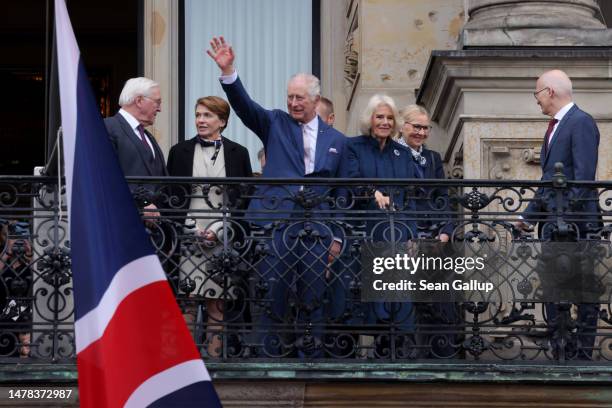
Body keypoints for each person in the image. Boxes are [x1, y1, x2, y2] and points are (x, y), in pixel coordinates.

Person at [207, 36, 347, 357]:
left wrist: (337, 236)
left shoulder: (338, 140)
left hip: (318, 228)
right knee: (273, 295)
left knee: (313, 298)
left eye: (299, 98)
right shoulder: (274, 123)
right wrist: (229, 72)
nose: (293, 103)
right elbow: (245, 106)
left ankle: (311, 361)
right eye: (290, 97)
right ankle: (268, 360)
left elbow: (342, 193)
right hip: (277, 225)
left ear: (315, 100)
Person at [518, 69, 600, 360]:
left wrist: (560, 216)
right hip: (557, 226)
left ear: (550, 92)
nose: (537, 101)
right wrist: (528, 217)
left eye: (537, 93)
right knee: (553, 288)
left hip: (578, 226)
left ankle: (583, 355)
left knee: (584, 291)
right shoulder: (555, 126)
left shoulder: (580, 122)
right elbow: (548, 182)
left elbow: (583, 178)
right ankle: (561, 349)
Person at [167, 96, 252, 357]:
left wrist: (218, 230)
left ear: (222, 121)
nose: (201, 120)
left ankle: (215, 361)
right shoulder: (179, 151)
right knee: (189, 301)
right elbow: (171, 196)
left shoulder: (239, 152)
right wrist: (192, 230)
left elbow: (243, 198)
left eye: (207, 116)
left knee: (218, 302)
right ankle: (187, 362)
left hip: (222, 235)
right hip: (188, 234)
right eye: (198, 115)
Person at [335, 94, 418, 358]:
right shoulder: (353, 147)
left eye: (389, 118)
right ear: (369, 119)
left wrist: (413, 235)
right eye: (379, 116)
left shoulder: (403, 154)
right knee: (355, 298)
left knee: (394, 296)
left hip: (395, 232)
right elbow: (349, 180)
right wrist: (372, 192)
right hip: (361, 229)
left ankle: (390, 352)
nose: (384, 122)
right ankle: (346, 357)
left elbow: (412, 197)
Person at [397, 104, 460, 359]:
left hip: (433, 235)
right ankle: (408, 354)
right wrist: (407, 235)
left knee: (440, 295)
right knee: (405, 298)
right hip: (405, 234)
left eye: (426, 128)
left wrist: (446, 231)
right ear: (403, 126)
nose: (422, 133)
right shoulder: (392, 154)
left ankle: (441, 352)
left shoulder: (432, 158)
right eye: (417, 127)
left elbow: (442, 196)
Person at [104, 77, 168, 211]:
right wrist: (142, 205)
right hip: (125, 220)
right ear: (139, 100)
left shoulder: (148, 136)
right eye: (157, 102)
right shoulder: (107, 128)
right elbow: (106, 176)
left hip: (158, 227)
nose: (160, 109)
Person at [0, 220, 32, 358]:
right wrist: (7, 250)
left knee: (23, 349)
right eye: (7, 235)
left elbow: (41, 272)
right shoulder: (2, 256)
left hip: (23, 310)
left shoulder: (28, 260)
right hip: (2, 307)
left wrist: (29, 249)